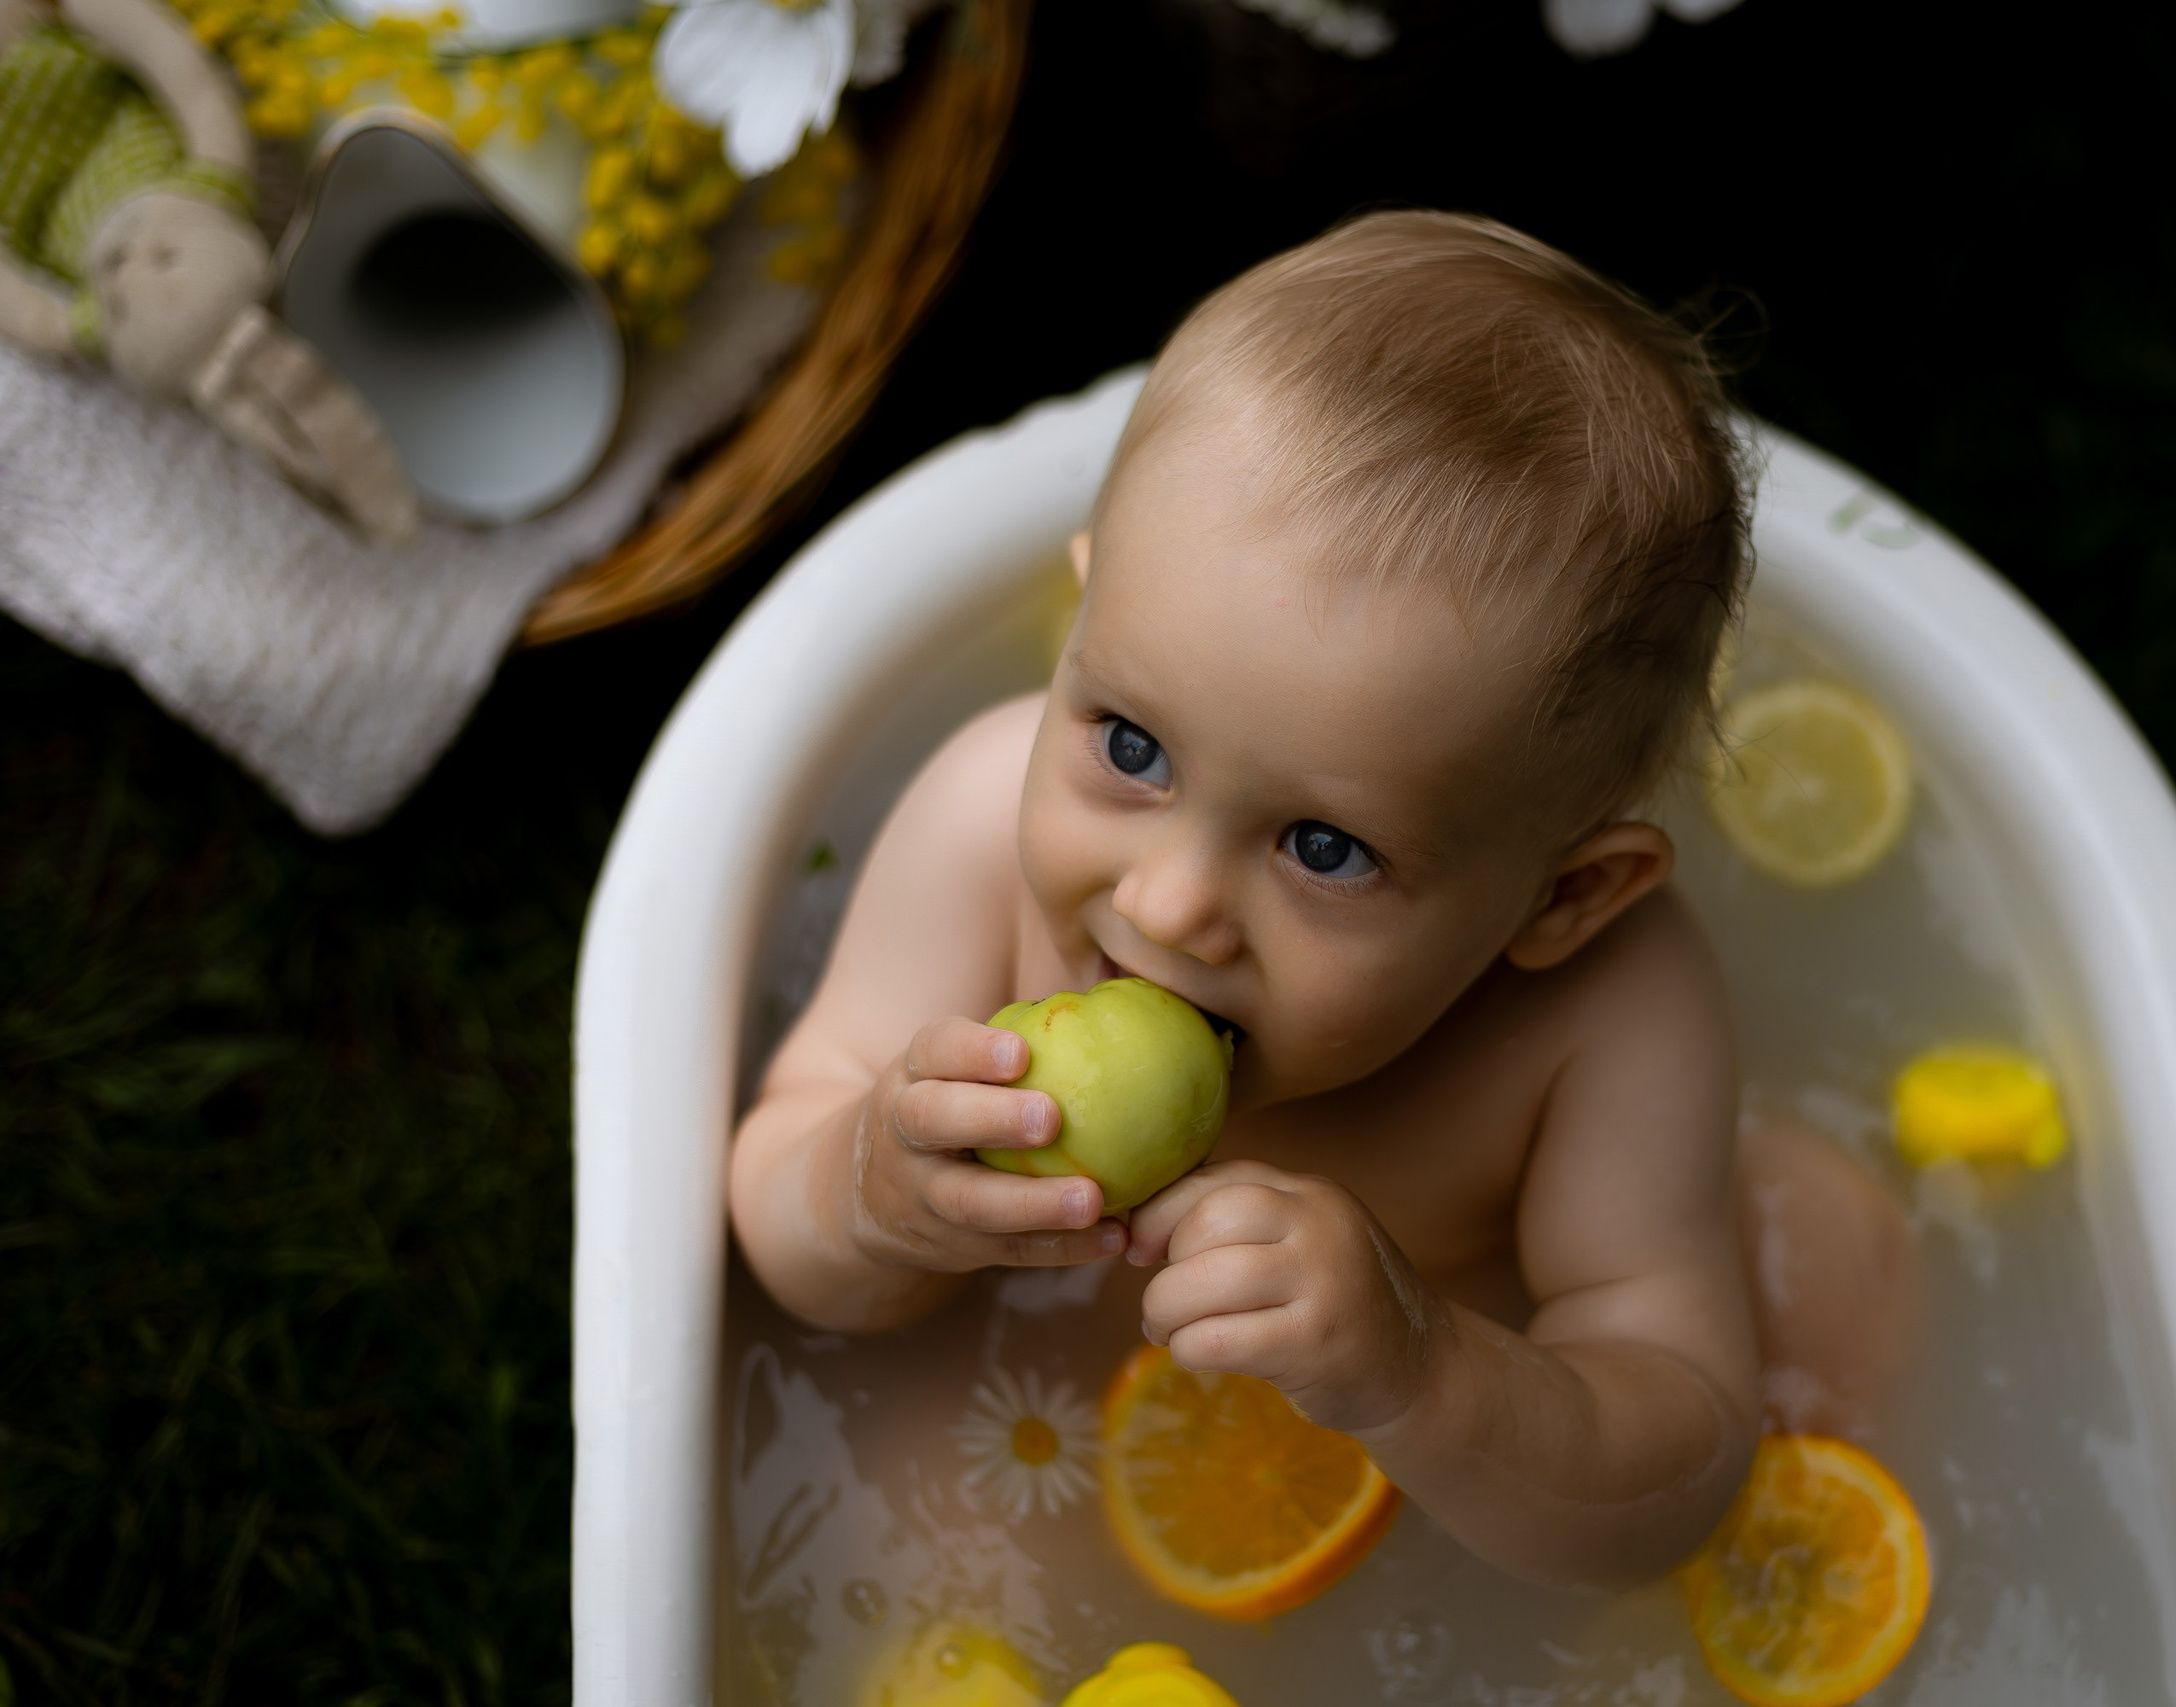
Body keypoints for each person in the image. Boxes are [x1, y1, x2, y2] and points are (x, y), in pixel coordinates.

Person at [729, 211, 1916, 1591]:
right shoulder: (978, 827)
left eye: (1325, 848)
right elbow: (774, 1222)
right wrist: (872, 1191)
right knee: (918, 1519)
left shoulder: (1609, 1019)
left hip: (1455, 1461)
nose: (1169, 905)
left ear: (1564, 899)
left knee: (1832, 1270)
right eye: (1131, 746)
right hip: (1078, 1411)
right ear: (1085, 619)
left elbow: (1676, 1489)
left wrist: (1424, 1372)